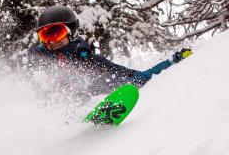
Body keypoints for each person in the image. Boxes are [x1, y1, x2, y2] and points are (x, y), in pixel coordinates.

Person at [23, 5, 192, 96]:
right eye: (45, 36)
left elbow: (138, 77)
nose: (51, 41)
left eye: (57, 33)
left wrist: (171, 61)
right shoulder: (35, 60)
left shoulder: (89, 61)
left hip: (83, 100)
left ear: (71, 31)